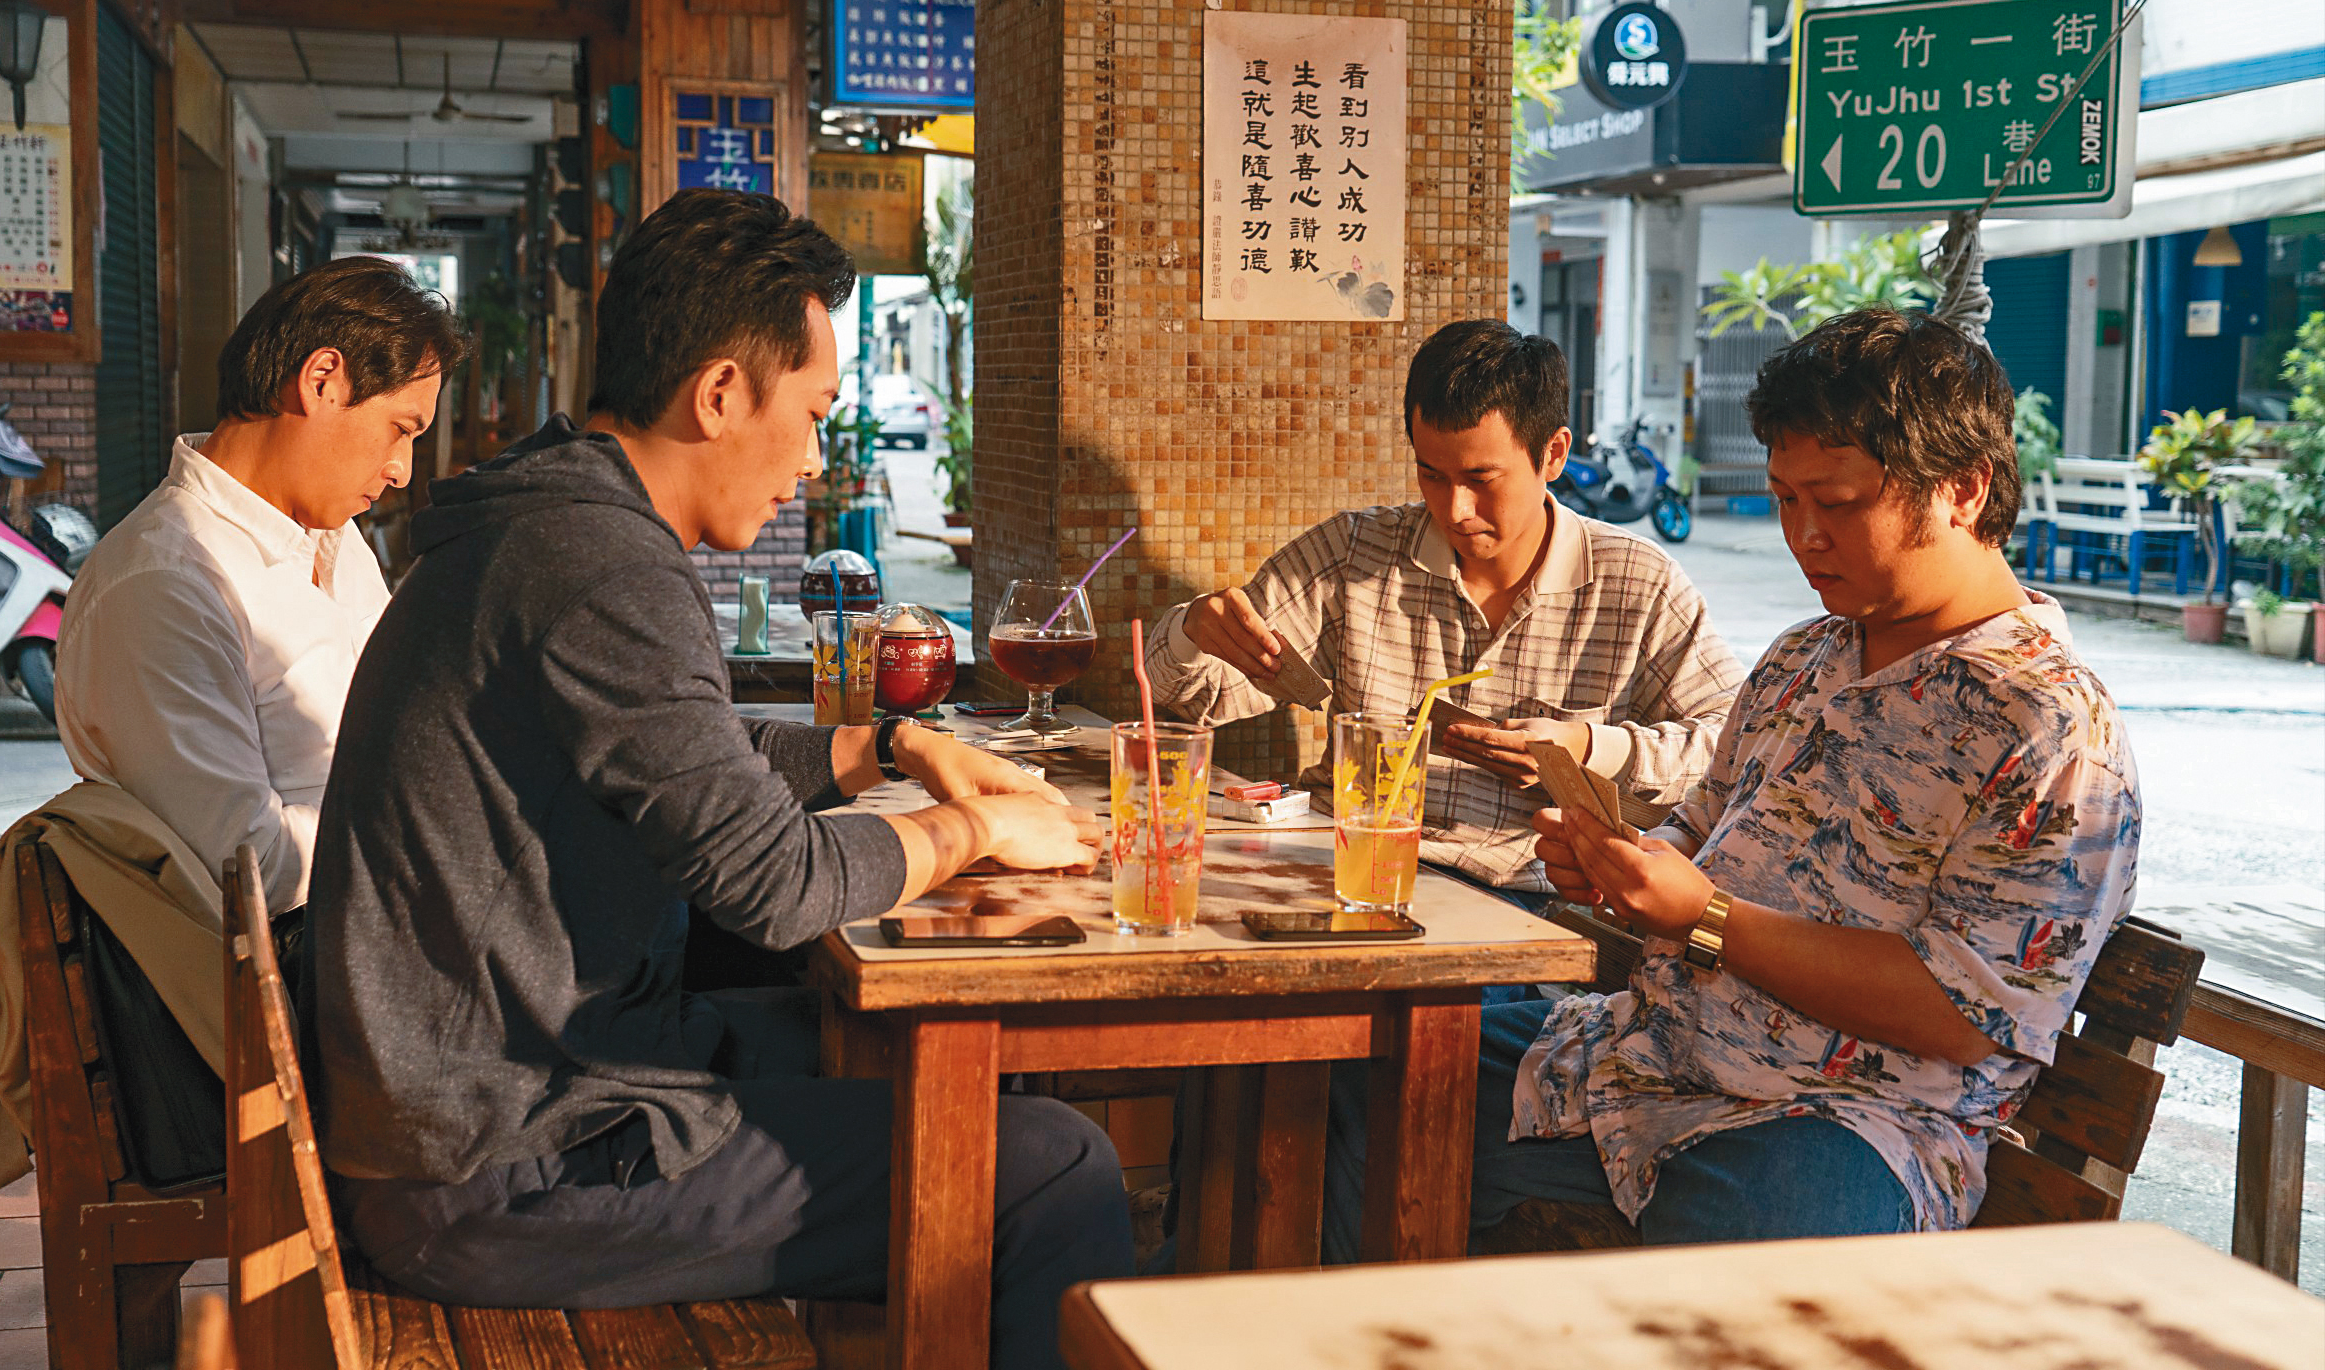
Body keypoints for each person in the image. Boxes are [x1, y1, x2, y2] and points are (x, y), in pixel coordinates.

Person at [305, 191, 1133, 1370]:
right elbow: (776, 882)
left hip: (497, 1093)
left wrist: (897, 749)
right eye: (812, 415)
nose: (812, 459)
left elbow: (699, 756)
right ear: (722, 393)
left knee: (904, 1049)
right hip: (506, 1164)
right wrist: (974, 831)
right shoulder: (603, 564)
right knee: (1051, 1167)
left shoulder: (554, 518)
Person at [1324, 308, 2141, 1257]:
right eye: (1785, 499)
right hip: (1639, 1056)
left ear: (1963, 489)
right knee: (1355, 1066)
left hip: (1844, 1118)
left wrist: (1705, 917)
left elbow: (1968, 1014)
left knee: (1742, 1247)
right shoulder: (1805, 657)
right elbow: (1703, 825)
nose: (1804, 536)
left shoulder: (2048, 726)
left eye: (1836, 502)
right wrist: (1627, 867)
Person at [1143, 319, 1741, 895]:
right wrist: (1194, 632)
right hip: (1342, 862)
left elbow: (1734, 750)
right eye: (1431, 475)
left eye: (1481, 478)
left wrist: (1588, 747)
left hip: (1520, 895)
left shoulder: (1637, 583)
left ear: (1554, 454)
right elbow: (1193, 697)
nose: (1454, 509)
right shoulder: (1354, 553)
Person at [57, 257, 465, 914]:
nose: (401, 470)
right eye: (400, 429)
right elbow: (252, 869)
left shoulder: (335, 541)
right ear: (322, 381)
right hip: (299, 953)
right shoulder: (164, 585)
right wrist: (419, 814)